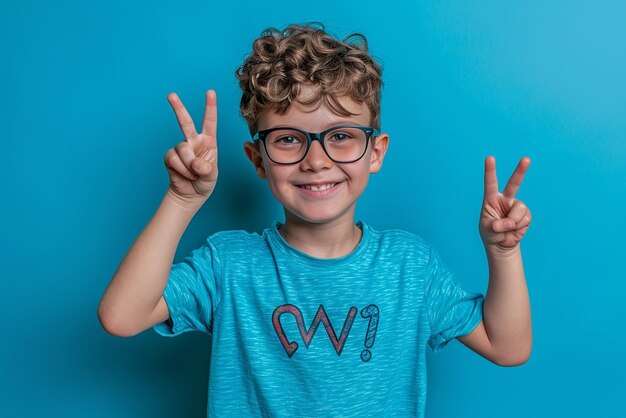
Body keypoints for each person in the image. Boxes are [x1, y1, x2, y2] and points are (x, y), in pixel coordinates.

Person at [98, 22, 533, 417]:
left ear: (376, 151)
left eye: (341, 136)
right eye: (288, 139)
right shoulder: (228, 264)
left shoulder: (410, 266)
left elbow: (508, 347)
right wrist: (181, 198)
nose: (316, 160)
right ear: (258, 159)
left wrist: (504, 251)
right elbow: (122, 316)